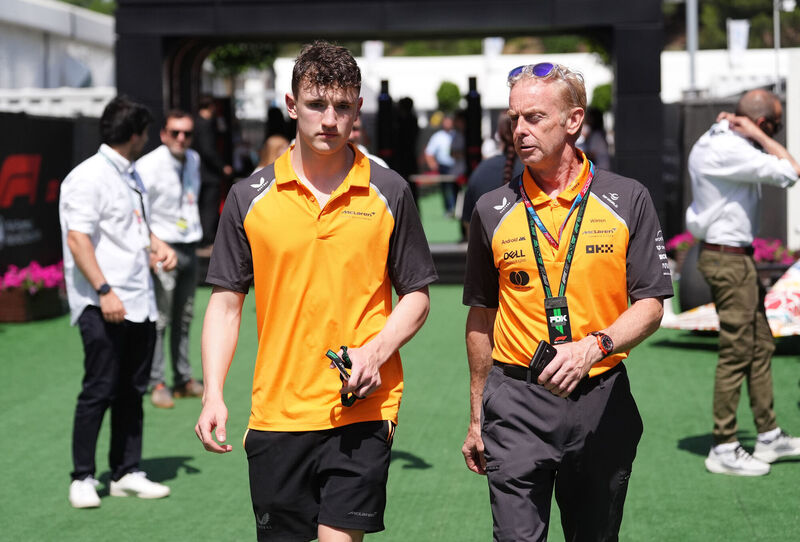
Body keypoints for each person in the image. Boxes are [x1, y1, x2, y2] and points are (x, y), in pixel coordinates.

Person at [194, 41, 437, 542]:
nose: (329, 119)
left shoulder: (390, 191)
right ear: (290, 106)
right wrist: (213, 392)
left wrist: (375, 352)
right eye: (316, 104)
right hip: (277, 412)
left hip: (364, 408)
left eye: (342, 106)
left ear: (358, 111)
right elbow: (224, 304)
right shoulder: (248, 197)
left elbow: (416, 295)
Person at [461, 63, 673, 540]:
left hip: (600, 396)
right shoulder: (491, 210)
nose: (519, 130)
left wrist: (592, 347)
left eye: (534, 118)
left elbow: (652, 303)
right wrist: (477, 417)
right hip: (515, 399)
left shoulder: (627, 198)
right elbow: (481, 316)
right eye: (515, 118)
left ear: (573, 120)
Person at [59, 95, 176, 508]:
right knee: (99, 389)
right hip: (103, 302)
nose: (147, 139)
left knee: (132, 390)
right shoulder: (88, 177)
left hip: (138, 300)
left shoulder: (130, 174)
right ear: (135, 134)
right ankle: (82, 477)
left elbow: (132, 227)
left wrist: (156, 244)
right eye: (146, 132)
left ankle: (127, 471)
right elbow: (78, 238)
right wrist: (104, 290)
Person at [686, 89, 800, 476]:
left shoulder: (720, 138)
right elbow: (791, 172)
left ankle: (767, 435)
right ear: (761, 123)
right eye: (775, 126)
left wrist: (750, 130)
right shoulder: (731, 149)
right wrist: (764, 138)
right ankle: (724, 445)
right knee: (737, 352)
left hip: (735, 257)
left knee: (760, 344)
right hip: (727, 260)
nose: (775, 134)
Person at [137, 109, 205, 409]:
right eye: (175, 132)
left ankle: (182, 378)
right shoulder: (147, 165)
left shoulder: (194, 160)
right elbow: (137, 212)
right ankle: (157, 382)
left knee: (185, 316)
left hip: (189, 244)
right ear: (163, 134)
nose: (181, 138)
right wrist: (151, 249)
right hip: (163, 247)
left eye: (186, 133)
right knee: (161, 319)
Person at [460, 112, 523, 235]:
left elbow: (468, 224)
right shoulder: (537, 170)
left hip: (489, 251)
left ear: (499, 134)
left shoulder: (479, 172)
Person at [193, 95, 233, 249]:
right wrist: (222, 166)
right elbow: (208, 149)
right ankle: (207, 238)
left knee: (202, 204)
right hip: (209, 173)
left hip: (199, 172)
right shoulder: (207, 124)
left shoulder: (196, 122)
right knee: (209, 206)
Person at [424, 114, 461, 216]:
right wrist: (432, 163)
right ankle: (448, 210)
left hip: (456, 167)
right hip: (444, 167)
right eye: (446, 121)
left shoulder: (457, 135)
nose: (448, 124)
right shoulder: (437, 136)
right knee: (445, 189)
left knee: (456, 188)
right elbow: (429, 152)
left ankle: (457, 209)